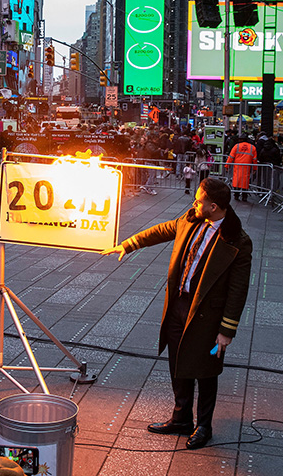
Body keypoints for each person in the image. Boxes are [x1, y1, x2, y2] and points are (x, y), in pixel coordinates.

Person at [100, 179, 252, 450]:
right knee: (178, 363)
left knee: (206, 371)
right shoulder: (192, 219)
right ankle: (181, 418)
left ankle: (203, 426)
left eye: (199, 200)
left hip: (207, 315)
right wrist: (129, 244)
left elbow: (238, 289)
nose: (194, 203)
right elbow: (163, 230)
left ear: (213, 206)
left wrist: (226, 331)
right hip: (178, 305)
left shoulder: (238, 241)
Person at [227, 135, 257, 201]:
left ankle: (236, 195)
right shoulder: (252, 147)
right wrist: (255, 168)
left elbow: (231, 157)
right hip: (247, 168)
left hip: (237, 167)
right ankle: (244, 196)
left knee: (237, 181)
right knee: (245, 182)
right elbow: (254, 159)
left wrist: (227, 166)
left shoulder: (236, 146)